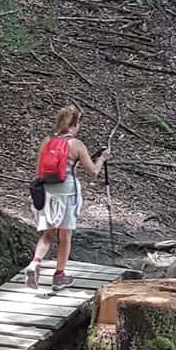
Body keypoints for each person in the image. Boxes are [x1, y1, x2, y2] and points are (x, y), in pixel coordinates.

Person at [26, 104, 110, 291]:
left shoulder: (48, 140)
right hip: (67, 193)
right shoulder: (76, 144)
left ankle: (35, 263)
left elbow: (39, 168)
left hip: (47, 192)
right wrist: (102, 158)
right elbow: (94, 171)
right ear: (75, 122)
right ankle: (59, 276)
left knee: (48, 234)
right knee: (65, 236)